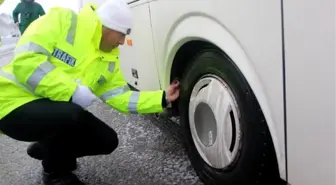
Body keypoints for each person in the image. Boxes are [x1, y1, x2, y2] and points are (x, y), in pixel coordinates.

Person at [0, 0, 181, 184]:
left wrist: (162, 97)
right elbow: (26, 61)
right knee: (72, 115)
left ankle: (47, 147)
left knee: (108, 140)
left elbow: (121, 97)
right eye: (122, 34)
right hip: (11, 103)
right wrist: (71, 91)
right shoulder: (62, 20)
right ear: (108, 27)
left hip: (53, 112)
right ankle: (54, 174)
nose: (122, 42)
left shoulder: (108, 59)